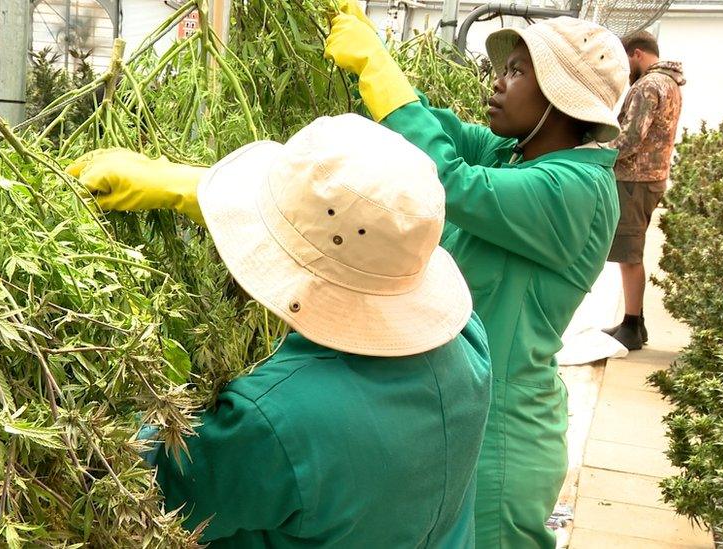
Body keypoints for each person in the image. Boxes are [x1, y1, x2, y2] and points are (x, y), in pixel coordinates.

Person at [69, 114, 493, 547]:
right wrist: (185, 189)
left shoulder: (267, 423)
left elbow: (130, 488)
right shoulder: (468, 344)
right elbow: (356, 249)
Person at [324, 8, 628, 548]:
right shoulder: (517, 154)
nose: (497, 82)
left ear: (561, 95)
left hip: (501, 437)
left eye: (517, 71)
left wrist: (374, 65)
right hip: (468, 409)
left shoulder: (572, 191)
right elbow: (444, 133)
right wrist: (384, 72)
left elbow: (448, 179)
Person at [603, 30, 685, 350]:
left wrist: (596, 150)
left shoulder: (649, 85)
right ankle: (636, 322)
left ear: (637, 53)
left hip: (636, 180)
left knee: (629, 254)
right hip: (651, 178)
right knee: (629, 253)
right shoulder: (670, 82)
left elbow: (630, 138)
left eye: (626, 60)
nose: (626, 69)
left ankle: (632, 326)